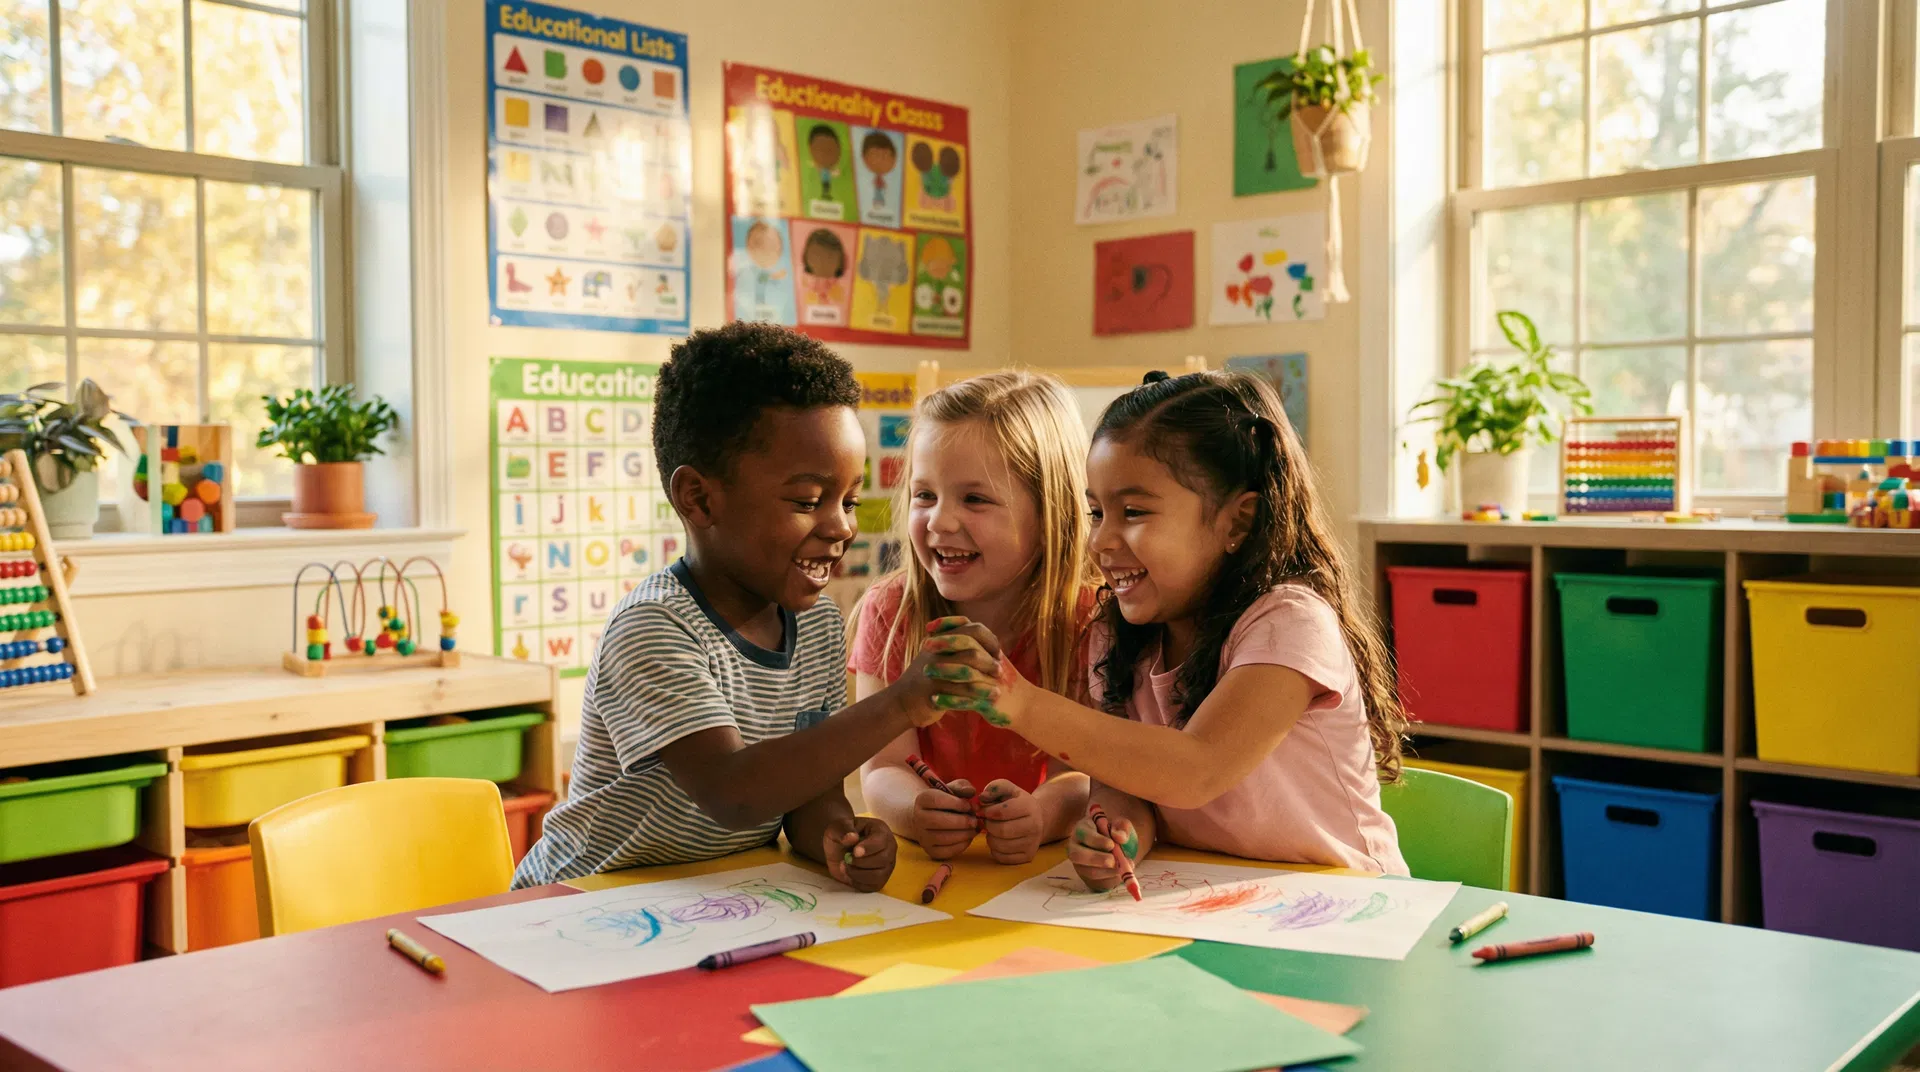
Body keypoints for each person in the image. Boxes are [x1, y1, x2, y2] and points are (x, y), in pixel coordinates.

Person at [511, 323, 997, 891]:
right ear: (699, 498)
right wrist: (901, 704)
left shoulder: (814, 625)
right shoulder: (653, 629)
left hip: (715, 900)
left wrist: (840, 837)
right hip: (581, 903)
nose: (841, 525)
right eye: (807, 501)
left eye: (849, 499)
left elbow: (806, 793)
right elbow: (735, 793)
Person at [947, 370, 1409, 886]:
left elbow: (1196, 769)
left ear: (1237, 522)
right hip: (1205, 905)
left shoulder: (1289, 624)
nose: (1100, 541)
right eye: (1097, 512)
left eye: (1134, 511)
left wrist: (1020, 701)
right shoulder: (1117, 633)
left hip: (1346, 910)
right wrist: (1118, 832)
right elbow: (1131, 782)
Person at [854, 372, 1098, 865]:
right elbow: (881, 767)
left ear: (1051, 512)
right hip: (936, 874)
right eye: (925, 495)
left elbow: (1090, 772)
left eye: (975, 499)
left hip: (1040, 881)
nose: (940, 521)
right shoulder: (891, 610)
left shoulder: (1091, 622)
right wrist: (914, 810)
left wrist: (1042, 816)